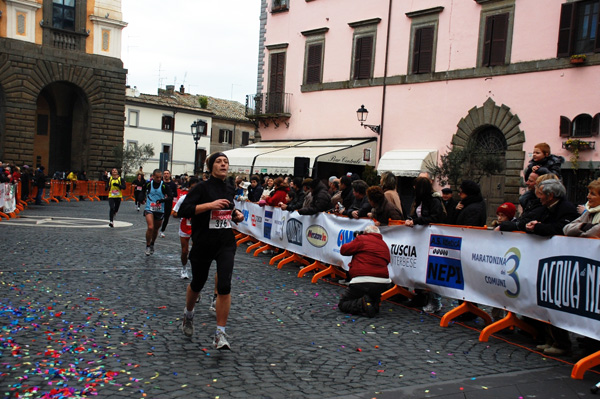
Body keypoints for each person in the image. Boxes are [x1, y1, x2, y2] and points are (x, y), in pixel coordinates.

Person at [177, 152, 244, 350]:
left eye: (226, 162)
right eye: (219, 161)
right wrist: (209, 205)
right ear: (210, 166)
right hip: (203, 242)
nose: (223, 164)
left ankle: (220, 333)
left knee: (224, 285)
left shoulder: (229, 188)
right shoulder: (201, 188)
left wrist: (235, 214)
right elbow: (183, 211)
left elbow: (227, 209)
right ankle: (188, 315)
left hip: (225, 242)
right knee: (198, 283)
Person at [404, 176, 446, 313]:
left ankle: (435, 300)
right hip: (420, 240)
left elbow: (435, 217)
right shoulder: (420, 201)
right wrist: (412, 220)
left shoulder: (434, 200)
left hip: (431, 239)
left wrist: (416, 222)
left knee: (431, 269)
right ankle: (420, 295)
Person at [338, 225, 392, 318]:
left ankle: (362, 304)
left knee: (343, 304)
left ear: (366, 232)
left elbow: (344, 250)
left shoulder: (362, 239)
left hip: (361, 280)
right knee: (373, 302)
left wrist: (357, 239)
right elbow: (387, 261)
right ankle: (371, 304)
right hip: (382, 282)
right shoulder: (384, 244)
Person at [173, 176, 200, 279]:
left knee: (196, 251)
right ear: (188, 188)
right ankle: (184, 268)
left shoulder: (203, 199)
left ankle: (195, 270)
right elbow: (174, 213)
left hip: (197, 228)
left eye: (196, 188)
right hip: (185, 226)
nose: (194, 190)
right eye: (192, 187)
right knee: (185, 251)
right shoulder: (183, 199)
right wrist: (185, 213)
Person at [143, 169, 172, 255]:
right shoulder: (148, 184)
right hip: (149, 208)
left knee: (155, 229)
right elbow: (142, 191)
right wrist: (141, 198)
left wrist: (162, 200)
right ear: (153, 176)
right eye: (157, 177)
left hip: (159, 209)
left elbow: (170, 196)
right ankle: (147, 246)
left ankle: (152, 244)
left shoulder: (164, 186)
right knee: (150, 227)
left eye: (160, 177)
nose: (159, 179)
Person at [159, 170, 178, 238]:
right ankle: (156, 228)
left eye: (167, 173)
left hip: (168, 203)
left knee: (166, 217)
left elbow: (176, 194)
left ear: (170, 175)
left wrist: (170, 195)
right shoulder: (160, 183)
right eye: (165, 174)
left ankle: (162, 231)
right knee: (159, 216)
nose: (166, 175)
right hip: (161, 202)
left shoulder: (173, 184)